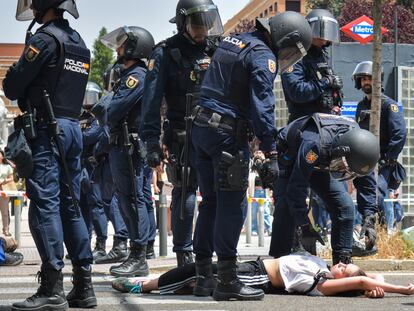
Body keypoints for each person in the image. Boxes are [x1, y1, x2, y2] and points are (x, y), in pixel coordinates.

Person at [189, 11, 312, 301]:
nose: (288, 56)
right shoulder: (262, 55)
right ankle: (228, 280)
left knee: (209, 203)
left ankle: (203, 276)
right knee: (232, 205)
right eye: (291, 49)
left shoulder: (235, 41)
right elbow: (262, 105)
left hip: (201, 127)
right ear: (285, 37)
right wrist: (269, 149)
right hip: (227, 135)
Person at [3, 1, 96, 310]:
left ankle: (52, 287)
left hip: (46, 130)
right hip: (72, 129)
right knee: (71, 206)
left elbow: (13, 86)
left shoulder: (44, 39)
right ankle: (84, 286)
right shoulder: (78, 41)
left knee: (45, 206)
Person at [140, 0, 224, 267]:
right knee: (186, 190)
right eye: (198, 23)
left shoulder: (217, 47)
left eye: (207, 23)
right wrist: (150, 141)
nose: (203, 29)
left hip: (215, 131)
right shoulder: (165, 53)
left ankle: (206, 254)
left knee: (216, 194)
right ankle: (184, 254)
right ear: (182, 22)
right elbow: (151, 102)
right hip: (181, 133)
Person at [269, 113, 380, 266]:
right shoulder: (313, 144)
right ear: (342, 150)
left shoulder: (360, 147)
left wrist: (369, 218)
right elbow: (296, 188)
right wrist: (305, 225)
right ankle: (280, 262)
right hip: (291, 156)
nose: (343, 173)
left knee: (345, 206)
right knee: (286, 205)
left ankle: (342, 262)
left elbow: (366, 182)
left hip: (324, 158)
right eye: (343, 167)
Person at [100, 26, 155, 277]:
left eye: (122, 44)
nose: (118, 48)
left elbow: (114, 109)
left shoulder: (136, 76)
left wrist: (102, 109)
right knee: (128, 199)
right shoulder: (128, 74)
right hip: (123, 144)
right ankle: (137, 253)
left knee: (132, 199)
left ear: (134, 47)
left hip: (129, 146)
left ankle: (138, 255)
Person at [111, 252, 414, 298]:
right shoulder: (322, 266)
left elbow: (361, 280)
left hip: (260, 277)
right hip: (255, 266)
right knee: (197, 277)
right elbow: (364, 280)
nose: (341, 264)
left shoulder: (324, 283)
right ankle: (145, 283)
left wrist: (401, 290)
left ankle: (142, 286)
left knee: (197, 271)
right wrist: (377, 287)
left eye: (344, 268)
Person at [351, 61, 407, 254]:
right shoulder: (360, 106)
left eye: (370, 78)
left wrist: (387, 159)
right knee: (365, 198)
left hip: (382, 163)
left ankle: (379, 241)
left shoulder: (387, 105)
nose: (367, 82)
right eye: (364, 78)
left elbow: (399, 134)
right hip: (363, 163)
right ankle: (369, 241)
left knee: (375, 198)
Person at [91, 65, 129, 265]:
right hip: (116, 153)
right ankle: (128, 245)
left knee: (111, 200)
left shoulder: (111, 100)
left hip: (110, 156)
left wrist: (96, 151)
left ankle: (121, 243)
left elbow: (104, 134)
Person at [281, 9, 342, 123]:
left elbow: (324, 90)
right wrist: (326, 81)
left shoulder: (321, 55)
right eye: (320, 33)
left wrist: (332, 105)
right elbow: (297, 91)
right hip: (304, 122)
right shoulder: (295, 55)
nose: (324, 39)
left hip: (325, 120)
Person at [0, 149, 15, 237]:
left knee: (5, 211)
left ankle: (6, 229)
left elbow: (11, 178)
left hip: (4, 191)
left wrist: (3, 180)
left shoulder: (7, 167)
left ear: (2, 156)